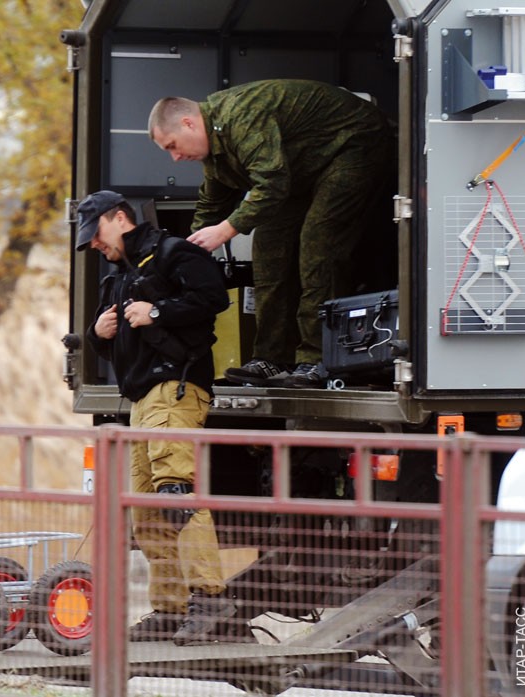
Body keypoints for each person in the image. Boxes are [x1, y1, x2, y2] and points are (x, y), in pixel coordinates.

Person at [148, 80, 396, 388]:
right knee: (268, 250)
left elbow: (272, 184)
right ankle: (271, 357)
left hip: (355, 145)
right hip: (303, 168)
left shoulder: (241, 117)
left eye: (172, 145)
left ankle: (318, 358)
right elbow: (213, 202)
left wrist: (226, 230)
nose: (174, 157)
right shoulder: (214, 149)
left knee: (318, 245)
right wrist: (185, 253)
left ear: (188, 123)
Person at [76, 189, 234, 645]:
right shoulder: (119, 276)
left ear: (119, 218)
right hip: (143, 399)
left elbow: (213, 300)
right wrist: (98, 335)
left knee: (177, 495)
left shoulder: (173, 253)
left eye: (97, 234)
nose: (94, 245)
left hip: (175, 390)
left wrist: (158, 310)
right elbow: (121, 341)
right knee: (145, 511)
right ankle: (171, 608)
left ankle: (210, 601)